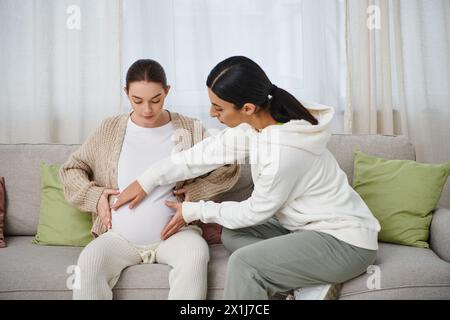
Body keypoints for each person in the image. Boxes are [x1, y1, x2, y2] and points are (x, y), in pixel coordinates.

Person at [113, 56, 381, 300]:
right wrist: (147, 179)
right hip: (306, 231)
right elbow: (205, 154)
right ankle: (306, 280)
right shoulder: (260, 124)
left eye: (218, 108)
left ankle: (310, 277)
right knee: (232, 232)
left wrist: (194, 210)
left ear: (248, 107)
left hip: (345, 242)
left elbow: (254, 212)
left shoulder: (282, 153)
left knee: (244, 263)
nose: (212, 114)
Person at [60, 59, 240, 300]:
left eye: (156, 100)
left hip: (176, 234)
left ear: (167, 91)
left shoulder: (188, 128)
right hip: (118, 237)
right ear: (126, 93)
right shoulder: (109, 129)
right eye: (137, 100)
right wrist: (95, 197)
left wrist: (197, 191)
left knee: (195, 256)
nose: (147, 109)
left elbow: (229, 165)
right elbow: (71, 169)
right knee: (89, 265)